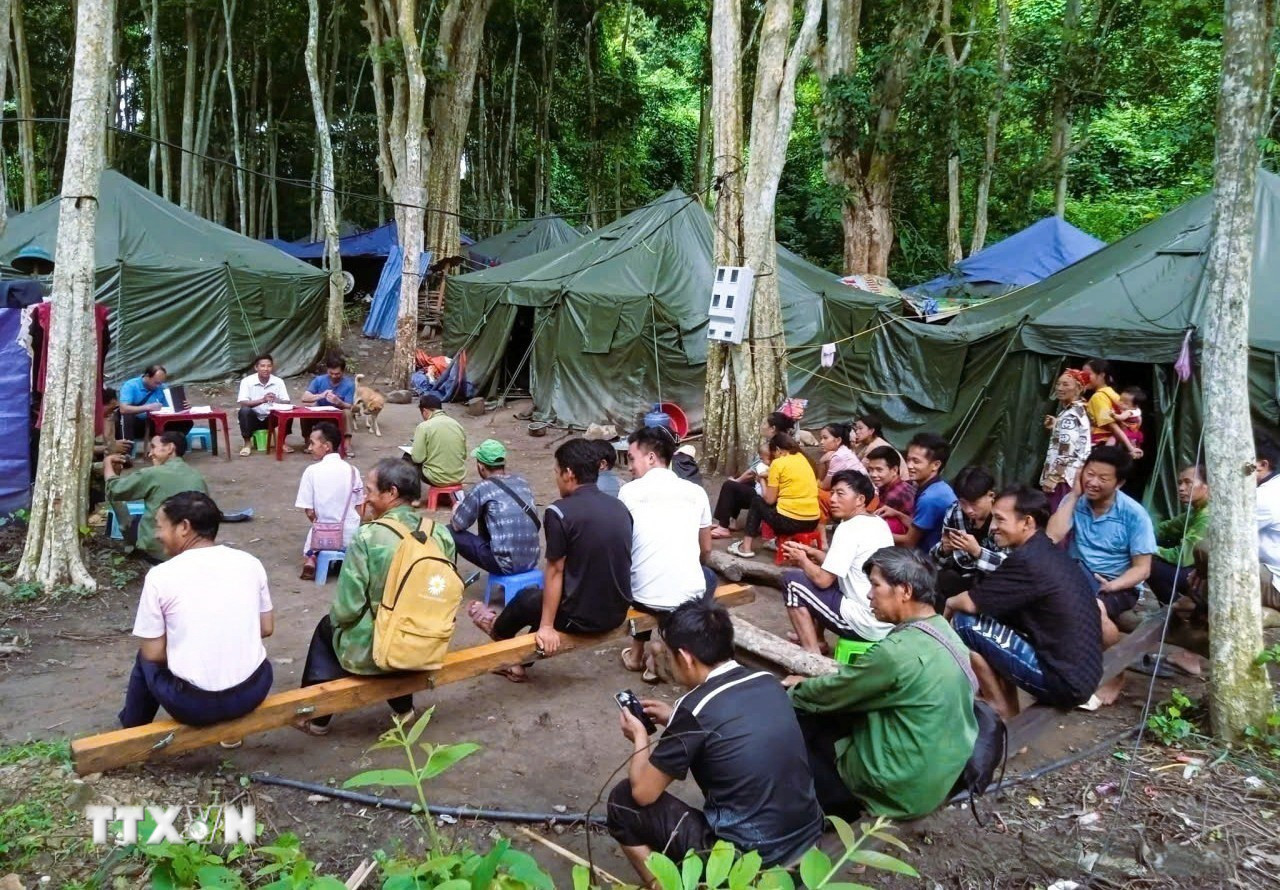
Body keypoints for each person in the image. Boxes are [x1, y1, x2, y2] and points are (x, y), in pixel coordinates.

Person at [607, 601, 823, 879]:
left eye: (669, 657)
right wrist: (674, 718)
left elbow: (643, 793)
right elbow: (729, 720)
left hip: (753, 862)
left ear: (685, 657)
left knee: (623, 800)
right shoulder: (766, 681)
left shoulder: (694, 710)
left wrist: (639, 737)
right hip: (807, 844)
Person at [788, 547, 977, 821]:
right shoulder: (946, 633)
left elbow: (830, 693)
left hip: (897, 789)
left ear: (905, 591)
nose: (868, 594)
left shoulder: (895, 652)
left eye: (876, 585)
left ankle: (814, 820)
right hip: (937, 777)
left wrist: (792, 690)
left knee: (796, 725)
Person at [296, 459, 458, 735]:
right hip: (428, 643)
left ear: (391, 492)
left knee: (329, 628)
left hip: (381, 652)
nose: (366, 498)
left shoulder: (368, 537)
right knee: (391, 622)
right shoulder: (440, 533)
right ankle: (404, 710)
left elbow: (347, 610)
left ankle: (318, 717)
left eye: (370, 490)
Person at [469, 438, 633, 682]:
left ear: (568, 473)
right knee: (548, 600)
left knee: (528, 598)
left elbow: (555, 570)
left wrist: (546, 626)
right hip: (616, 612)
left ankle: (500, 634)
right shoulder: (620, 507)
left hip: (583, 619)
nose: (556, 478)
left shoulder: (560, 512)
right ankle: (520, 659)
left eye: (557, 472)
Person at [118, 492, 274, 737]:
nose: (157, 535)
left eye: (160, 526)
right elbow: (266, 628)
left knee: (145, 657)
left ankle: (131, 732)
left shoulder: (161, 576)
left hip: (194, 705)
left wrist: (189, 648)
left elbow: (153, 653)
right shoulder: (250, 563)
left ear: (184, 527)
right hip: (252, 691)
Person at [947, 486, 1103, 717]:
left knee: (965, 622)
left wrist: (948, 605)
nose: (993, 528)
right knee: (995, 618)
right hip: (1084, 674)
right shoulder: (1044, 551)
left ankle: (998, 704)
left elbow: (968, 603)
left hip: (1064, 683)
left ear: (1027, 522)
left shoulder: (1028, 560)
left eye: (1000, 520)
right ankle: (1008, 707)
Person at [1047, 445, 1156, 705]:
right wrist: (1073, 495)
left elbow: (1143, 568)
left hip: (1117, 584)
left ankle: (1114, 674)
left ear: (1119, 483)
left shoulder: (1134, 515)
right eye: (1089, 473)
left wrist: (1113, 585)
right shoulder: (1077, 501)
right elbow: (1052, 536)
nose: (1092, 482)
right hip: (1078, 573)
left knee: (1094, 607)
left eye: (1103, 478)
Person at [618, 426, 716, 681]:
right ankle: (662, 648)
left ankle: (637, 654)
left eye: (631, 458)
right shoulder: (696, 492)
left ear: (651, 457)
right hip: (688, 594)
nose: (630, 466)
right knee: (706, 577)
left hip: (642, 595)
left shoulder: (629, 492)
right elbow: (706, 549)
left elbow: (626, 548)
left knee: (641, 572)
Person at [780, 470, 894, 653]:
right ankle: (818, 640)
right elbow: (847, 565)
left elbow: (823, 580)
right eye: (832, 493)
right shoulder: (877, 522)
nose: (832, 499)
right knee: (826, 577)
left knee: (792, 582)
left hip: (863, 624)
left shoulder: (848, 528)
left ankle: (811, 657)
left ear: (860, 500)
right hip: (884, 621)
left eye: (840, 494)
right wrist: (813, 553)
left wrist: (801, 560)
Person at [104, 431, 209, 563]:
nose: (150, 453)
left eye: (153, 447)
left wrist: (107, 463)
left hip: (161, 550)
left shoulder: (152, 474)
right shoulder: (196, 476)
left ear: (170, 448)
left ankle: (132, 550)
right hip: (194, 547)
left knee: (130, 516)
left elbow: (114, 490)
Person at [448, 439, 541, 576]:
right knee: (488, 513)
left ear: (481, 467)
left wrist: (456, 509)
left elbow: (458, 525)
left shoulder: (482, 488)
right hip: (531, 559)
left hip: (505, 564)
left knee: (448, 531)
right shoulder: (522, 482)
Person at [727, 433, 821, 559]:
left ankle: (746, 547)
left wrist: (761, 481)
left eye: (773, 455)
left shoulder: (778, 463)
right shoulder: (802, 459)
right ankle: (778, 542)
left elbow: (769, 500)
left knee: (757, 501)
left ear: (777, 450)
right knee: (782, 503)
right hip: (812, 521)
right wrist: (766, 475)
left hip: (790, 523)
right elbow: (778, 473)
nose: (772, 460)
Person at [295, 422, 364, 581]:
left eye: (312, 443)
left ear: (326, 446)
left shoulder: (311, 471)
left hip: (324, 536)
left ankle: (312, 558)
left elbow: (309, 511)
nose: (310, 447)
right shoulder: (353, 471)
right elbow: (360, 508)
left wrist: (322, 523)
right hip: (349, 535)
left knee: (314, 535)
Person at [932, 465, 1008, 598]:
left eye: (974, 504)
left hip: (991, 586)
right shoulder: (955, 512)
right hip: (958, 577)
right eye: (963, 503)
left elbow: (1012, 568)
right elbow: (936, 560)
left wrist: (977, 552)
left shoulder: (1005, 521)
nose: (968, 510)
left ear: (991, 495)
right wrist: (944, 549)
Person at [878, 432, 955, 552]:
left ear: (935, 465)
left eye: (916, 461)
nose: (909, 466)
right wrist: (897, 514)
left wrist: (871, 533)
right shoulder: (940, 487)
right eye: (908, 459)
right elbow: (919, 526)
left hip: (928, 558)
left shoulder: (930, 498)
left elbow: (909, 542)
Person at [1149, 464, 1210, 607]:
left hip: (1206, 578)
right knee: (1165, 541)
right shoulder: (1196, 511)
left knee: (1149, 567)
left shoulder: (1207, 515)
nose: (1181, 488)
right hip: (1197, 571)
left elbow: (1183, 557)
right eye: (1180, 483)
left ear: (1207, 485)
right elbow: (1165, 529)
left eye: (1188, 482)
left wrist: (1147, 548)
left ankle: (1177, 611)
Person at [1040, 371, 1093, 510]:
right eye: (1058, 384)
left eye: (1065, 384)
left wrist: (1053, 478)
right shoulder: (1078, 410)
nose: (1059, 388)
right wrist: (1057, 425)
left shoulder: (1070, 415)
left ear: (1079, 388)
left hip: (1062, 479)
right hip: (1072, 476)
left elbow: (1066, 452)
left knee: (1056, 518)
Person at [1080, 359, 1141, 459]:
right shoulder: (1113, 394)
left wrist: (1130, 448)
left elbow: (1111, 425)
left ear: (1102, 375)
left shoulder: (1098, 397)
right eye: (1082, 375)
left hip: (1101, 444)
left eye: (1087, 374)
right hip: (1115, 446)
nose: (1083, 378)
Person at [237, 354, 293, 456]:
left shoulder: (278, 382)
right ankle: (247, 444)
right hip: (254, 418)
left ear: (272, 367)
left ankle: (282, 442)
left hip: (271, 417)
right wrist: (263, 400)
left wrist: (277, 400)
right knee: (244, 411)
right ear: (256, 367)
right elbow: (243, 402)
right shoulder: (247, 381)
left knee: (288, 412)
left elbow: (287, 402)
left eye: (269, 366)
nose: (266, 369)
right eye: (262, 366)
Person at [300, 356, 356, 455]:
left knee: (347, 412)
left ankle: (347, 444)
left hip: (337, 415)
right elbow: (304, 398)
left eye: (337, 374)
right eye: (331, 373)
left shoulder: (349, 384)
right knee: (305, 410)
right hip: (320, 412)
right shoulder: (319, 380)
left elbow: (350, 406)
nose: (334, 376)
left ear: (343, 372)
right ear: (327, 370)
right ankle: (308, 441)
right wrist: (321, 395)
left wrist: (339, 402)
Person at [409, 394, 467, 488]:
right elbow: (464, 455)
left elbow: (417, 458)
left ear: (424, 411)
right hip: (458, 476)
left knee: (407, 459)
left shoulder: (424, 426)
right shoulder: (457, 425)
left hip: (437, 478)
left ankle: (412, 496)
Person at [118, 364, 183, 446]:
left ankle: (170, 449)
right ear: (147, 376)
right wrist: (148, 407)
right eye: (156, 383)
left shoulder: (162, 388)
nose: (158, 385)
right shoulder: (131, 385)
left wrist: (183, 406)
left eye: (161, 383)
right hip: (136, 423)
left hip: (154, 422)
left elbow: (171, 409)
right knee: (127, 417)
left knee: (185, 422)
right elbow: (123, 409)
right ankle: (126, 452)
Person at [863, 445, 915, 536]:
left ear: (894, 470)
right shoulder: (899, 486)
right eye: (870, 470)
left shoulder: (895, 494)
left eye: (879, 470)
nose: (873, 474)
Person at [816, 422, 866, 515]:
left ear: (838, 440)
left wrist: (821, 462)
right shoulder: (843, 451)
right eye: (821, 438)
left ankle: (821, 528)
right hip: (859, 495)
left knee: (815, 494)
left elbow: (824, 486)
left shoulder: (839, 456)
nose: (821, 442)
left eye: (825, 438)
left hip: (865, 499)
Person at [1255, 436, 1280, 614]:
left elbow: (1227, 537)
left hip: (1276, 584)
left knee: (1205, 548)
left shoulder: (1265, 496)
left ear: (1262, 465)